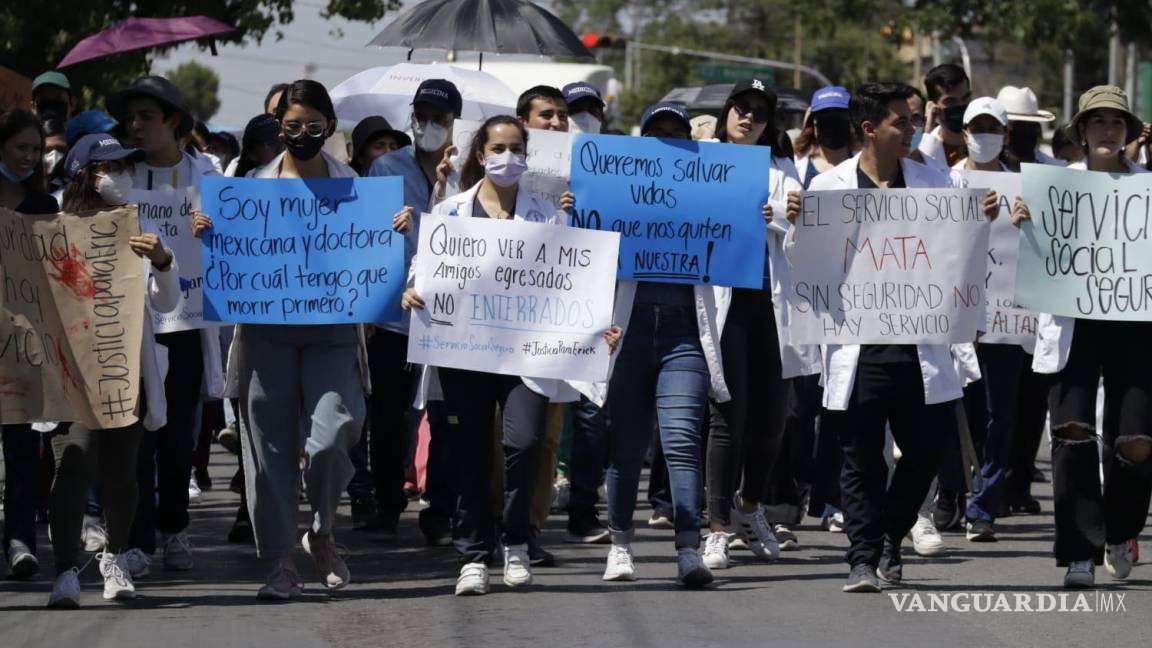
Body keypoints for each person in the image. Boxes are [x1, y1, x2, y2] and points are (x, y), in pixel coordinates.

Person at [786, 82, 998, 593]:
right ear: (869, 129)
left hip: (919, 345)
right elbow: (802, 267)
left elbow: (957, 250)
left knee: (926, 454)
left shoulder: (933, 182)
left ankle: (889, 537)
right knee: (859, 460)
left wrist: (982, 219)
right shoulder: (829, 190)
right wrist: (797, 225)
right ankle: (862, 559)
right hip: (859, 349)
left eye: (910, 121)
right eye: (901, 122)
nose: (911, 130)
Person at [401, 115, 620, 595]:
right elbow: (425, 266)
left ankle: (516, 542)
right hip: (464, 351)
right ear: (480, 154)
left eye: (516, 148)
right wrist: (413, 290)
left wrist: (597, 329)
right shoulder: (451, 212)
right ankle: (474, 555)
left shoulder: (547, 216)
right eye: (497, 148)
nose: (507, 157)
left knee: (523, 443)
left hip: (525, 357)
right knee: (471, 452)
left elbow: (568, 286)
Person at [193, 79, 383, 600]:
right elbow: (221, 265)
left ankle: (322, 530)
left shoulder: (358, 189)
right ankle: (279, 562)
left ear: (330, 128)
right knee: (268, 451)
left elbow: (377, 261)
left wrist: (396, 230)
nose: (302, 134)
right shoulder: (248, 189)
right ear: (280, 129)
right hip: (265, 338)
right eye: (292, 126)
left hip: (333, 336)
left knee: (333, 434)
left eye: (313, 126)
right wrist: (209, 232)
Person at [575, 102, 723, 588]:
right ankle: (620, 544)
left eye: (676, 133)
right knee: (628, 445)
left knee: (681, 440)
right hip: (628, 332)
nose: (666, 141)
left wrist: (754, 213)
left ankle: (687, 548)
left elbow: (738, 246)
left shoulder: (709, 193)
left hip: (685, 336)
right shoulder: (619, 193)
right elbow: (582, 260)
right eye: (655, 132)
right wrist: (572, 214)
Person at [1012, 86, 1152, 589]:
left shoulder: (1147, 188)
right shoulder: (1055, 188)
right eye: (1098, 122)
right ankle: (1078, 550)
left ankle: (1119, 530)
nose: (1108, 131)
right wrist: (1024, 223)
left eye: (1118, 122)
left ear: (1130, 131)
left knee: (1135, 441)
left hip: (1135, 325)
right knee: (1072, 433)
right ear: (1082, 131)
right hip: (1072, 326)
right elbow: (1028, 254)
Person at [47, 134, 180, 608]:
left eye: (126, 165)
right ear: (86, 174)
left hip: (124, 373)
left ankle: (116, 558)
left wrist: (162, 261)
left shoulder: (137, 230)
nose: (121, 174)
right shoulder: (52, 229)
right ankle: (65, 569)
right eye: (111, 167)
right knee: (74, 465)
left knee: (123, 472)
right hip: (70, 376)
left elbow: (167, 303)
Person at [106, 75, 225, 575]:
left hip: (187, 325)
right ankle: (137, 542)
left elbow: (236, 247)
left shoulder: (210, 178)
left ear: (174, 122)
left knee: (178, 440)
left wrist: (214, 228)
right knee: (138, 441)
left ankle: (175, 528)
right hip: (132, 328)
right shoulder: (116, 179)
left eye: (147, 117)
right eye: (131, 118)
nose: (135, 126)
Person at [701, 79, 819, 571]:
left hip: (772, 309)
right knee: (728, 415)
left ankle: (750, 510)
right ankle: (717, 528)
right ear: (727, 113)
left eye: (759, 113)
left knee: (774, 418)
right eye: (741, 109)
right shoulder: (701, 164)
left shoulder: (784, 172)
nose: (748, 118)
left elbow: (804, 237)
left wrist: (791, 216)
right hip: (725, 307)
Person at [369, 79, 463, 547]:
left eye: (438, 118)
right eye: (421, 115)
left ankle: (441, 511)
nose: (427, 125)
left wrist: (448, 186)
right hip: (394, 318)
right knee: (389, 419)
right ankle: (387, 504)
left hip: (452, 321)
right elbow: (369, 238)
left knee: (447, 420)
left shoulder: (472, 171)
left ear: (454, 124)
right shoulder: (387, 167)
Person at [0, 108, 58, 582]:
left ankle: (20, 539)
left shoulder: (44, 208)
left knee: (22, 447)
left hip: (23, 345)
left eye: (35, 149)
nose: (29, 156)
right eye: (21, 147)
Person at [794, 86, 854, 188]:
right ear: (813, 124)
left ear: (852, 122)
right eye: (824, 118)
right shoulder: (795, 166)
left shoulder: (866, 165)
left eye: (839, 117)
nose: (833, 125)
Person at [917, 64, 971, 171]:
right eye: (951, 102)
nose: (961, 105)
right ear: (933, 106)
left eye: (965, 99)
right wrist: (927, 128)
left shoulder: (986, 139)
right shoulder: (923, 148)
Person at [996, 86, 1065, 170]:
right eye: (1017, 126)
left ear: (1037, 129)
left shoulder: (1057, 169)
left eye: (1026, 126)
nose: (1022, 134)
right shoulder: (985, 168)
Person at [952, 97, 1009, 172]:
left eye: (993, 129)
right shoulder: (946, 180)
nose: (985, 135)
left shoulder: (1017, 182)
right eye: (978, 129)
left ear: (1005, 138)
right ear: (965, 136)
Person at [226, 113, 283, 178]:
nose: (282, 149)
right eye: (271, 143)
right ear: (252, 155)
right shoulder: (249, 178)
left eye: (284, 141)